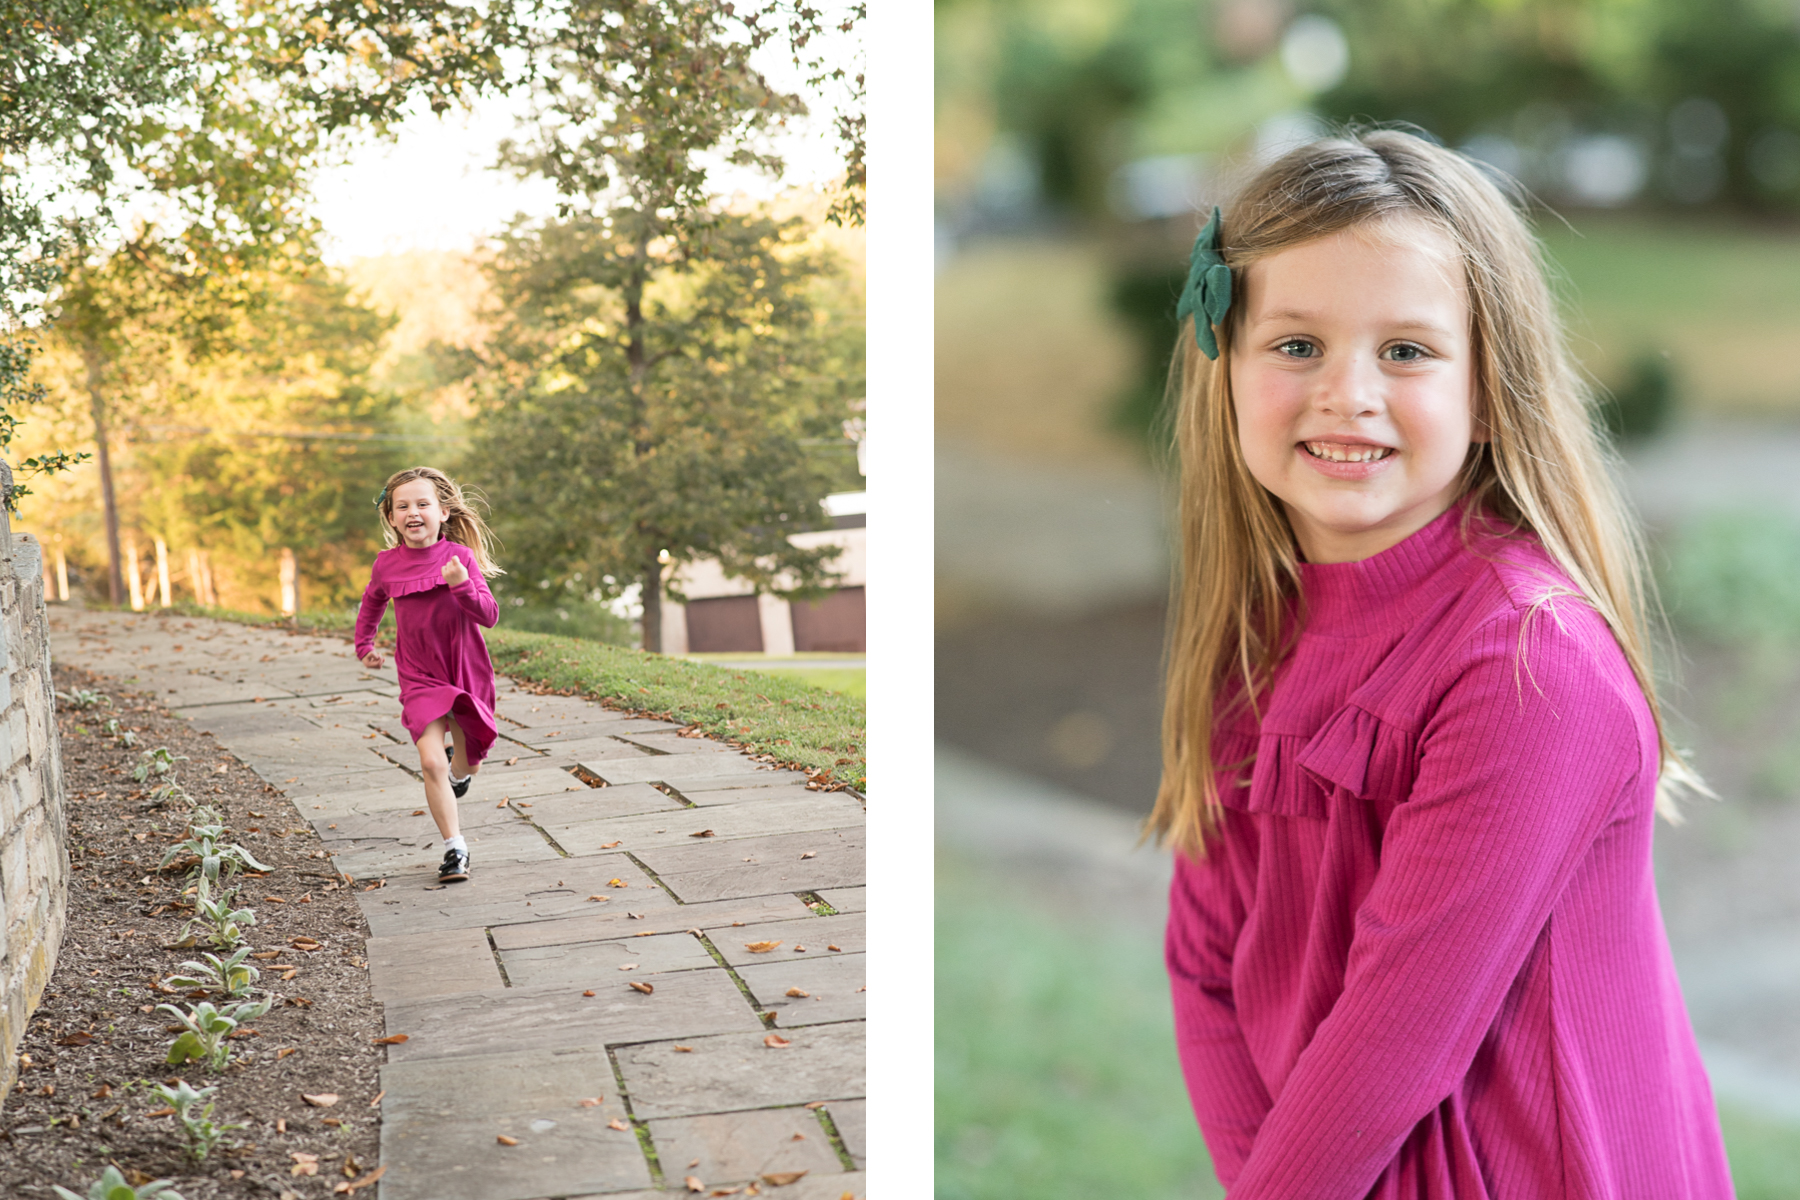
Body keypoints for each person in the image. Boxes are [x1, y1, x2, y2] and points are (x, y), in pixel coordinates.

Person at [1151, 129, 1733, 1198]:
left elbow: (1392, 1042)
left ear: (1489, 383)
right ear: (1225, 360)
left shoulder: (1526, 666)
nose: (1348, 394)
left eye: (1407, 352)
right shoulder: (1252, 634)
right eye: (1296, 346)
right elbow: (1204, 967)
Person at [355, 467, 504, 884]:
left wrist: (461, 585)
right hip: (419, 674)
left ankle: (461, 773)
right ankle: (455, 848)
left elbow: (489, 616)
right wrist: (364, 645)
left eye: (423, 504)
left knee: (468, 762)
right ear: (391, 518)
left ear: (443, 512)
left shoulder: (461, 559)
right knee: (429, 760)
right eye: (402, 506)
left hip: (465, 669)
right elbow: (371, 604)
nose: (413, 512)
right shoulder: (387, 565)